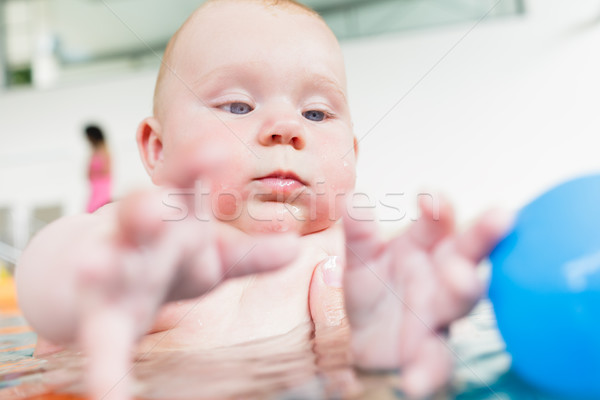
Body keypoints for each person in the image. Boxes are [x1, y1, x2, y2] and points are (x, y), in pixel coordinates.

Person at [15, 1, 510, 399]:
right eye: (238, 105)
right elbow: (52, 272)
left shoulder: (352, 259)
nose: (286, 128)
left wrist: (416, 322)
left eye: (316, 113)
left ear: (352, 156)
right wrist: (77, 266)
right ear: (158, 149)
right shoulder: (155, 244)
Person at [84, 124, 112, 213]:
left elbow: (106, 170)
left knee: (97, 208)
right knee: (90, 209)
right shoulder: (93, 151)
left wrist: (94, 172)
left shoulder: (104, 150)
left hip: (102, 186)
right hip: (94, 187)